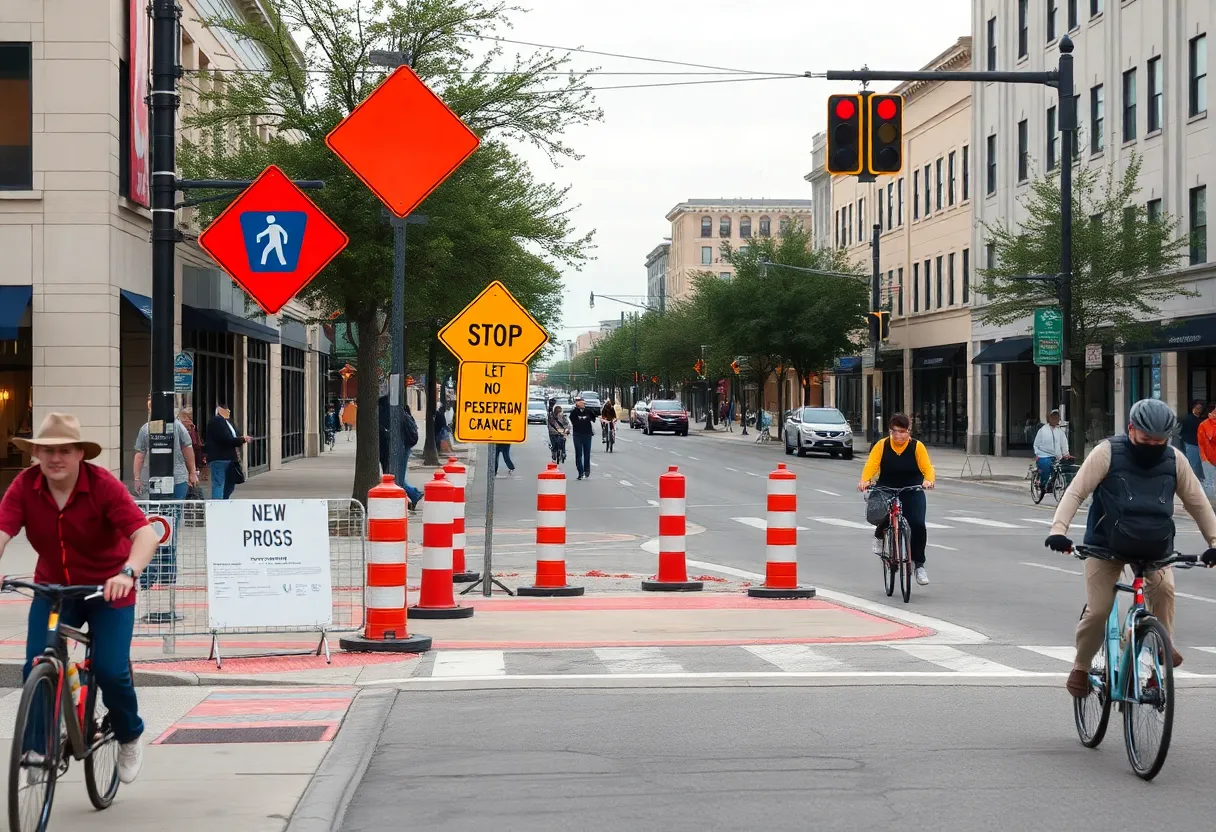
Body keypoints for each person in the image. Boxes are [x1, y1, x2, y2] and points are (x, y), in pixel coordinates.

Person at [0, 412, 159, 785]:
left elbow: (146, 535)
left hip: (108, 590)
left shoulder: (101, 485)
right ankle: (38, 750)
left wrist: (127, 573)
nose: (55, 458)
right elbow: (2, 530)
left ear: (79, 455)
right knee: (35, 664)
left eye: (65, 450)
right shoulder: (25, 485)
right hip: (55, 590)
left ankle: (129, 733)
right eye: (47, 451)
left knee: (110, 670)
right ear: (35, 453)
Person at [1044, 399, 1216, 698]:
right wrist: (1059, 531)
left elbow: (1198, 504)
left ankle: (1162, 642)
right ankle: (1082, 666)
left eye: (1159, 441)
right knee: (1099, 611)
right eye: (1146, 439)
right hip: (1105, 547)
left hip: (1154, 546)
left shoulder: (1175, 460)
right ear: (1131, 429)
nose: (1152, 445)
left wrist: (1214, 543)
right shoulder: (1107, 452)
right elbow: (1076, 492)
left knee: (1164, 591)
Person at [857, 412, 937, 586]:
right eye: (895, 431)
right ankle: (880, 535)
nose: (899, 436)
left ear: (909, 431)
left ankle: (919, 566)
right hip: (886, 486)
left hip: (912, 488)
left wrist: (928, 481)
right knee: (881, 514)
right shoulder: (882, 445)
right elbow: (871, 465)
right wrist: (865, 480)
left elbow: (927, 467)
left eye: (903, 431)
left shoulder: (917, 447)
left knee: (917, 523)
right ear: (890, 431)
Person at [133, 397, 198, 499]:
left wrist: (137, 478)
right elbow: (187, 449)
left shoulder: (145, 428)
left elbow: (140, 455)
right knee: (175, 510)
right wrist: (192, 473)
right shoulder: (178, 426)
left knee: (155, 510)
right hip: (177, 478)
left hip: (152, 478)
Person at [205, 403, 249, 500]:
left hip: (230, 458)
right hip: (219, 458)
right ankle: (218, 505)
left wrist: (241, 439)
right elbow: (226, 438)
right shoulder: (217, 421)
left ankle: (224, 501)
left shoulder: (228, 422)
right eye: (226, 410)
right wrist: (242, 440)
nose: (228, 412)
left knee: (230, 484)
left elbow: (233, 437)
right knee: (219, 483)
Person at [1032, 409, 1070, 492]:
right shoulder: (1042, 430)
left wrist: (1065, 454)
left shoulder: (1060, 432)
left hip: (1056, 456)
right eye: (1053, 418)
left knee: (1059, 467)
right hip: (1044, 455)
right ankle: (1043, 484)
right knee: (1045, 466)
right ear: (1049, 418)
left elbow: (1064, 444)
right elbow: (1036, 444)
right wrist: (1038, 454)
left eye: (1057, 418)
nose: (1055, 420)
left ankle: (1053, 484)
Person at [569, 395, 596, 480]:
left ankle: (586, 470)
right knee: (578, 454)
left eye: (582, 402)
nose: (581, 403)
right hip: (577, 434)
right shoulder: (573, 412)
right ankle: (580, 472)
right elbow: (574, 421)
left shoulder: (588, 411)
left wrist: (587, 418)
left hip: (587, 434)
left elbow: (593, 418)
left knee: (587, 453)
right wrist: (582, 419)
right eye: (579, 402)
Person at [1180, 400, 1206, 482]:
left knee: (1197, 463)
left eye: (1200, 408)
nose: (1199, 410)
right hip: (1191, 444)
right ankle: (1195, 481)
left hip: (1196, 444)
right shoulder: (1190, 419)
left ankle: (1199, 479)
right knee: (1194, 463)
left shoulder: (1198, 419)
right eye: (1197, 408)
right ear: (1193, 408)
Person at [1199, 403, 1216, 502]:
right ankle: (1210, 505)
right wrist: (1205, 458)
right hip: (1208, 458)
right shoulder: (1204, 425)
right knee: (1209, 483)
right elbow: (1203, 443)